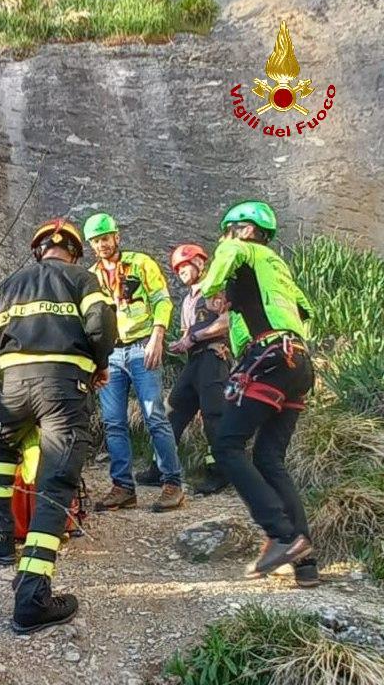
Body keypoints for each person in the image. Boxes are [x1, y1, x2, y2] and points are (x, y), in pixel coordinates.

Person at [0, 218, 116, 634]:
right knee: (55, 484)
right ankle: (32, 597)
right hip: (64, 388)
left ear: (39, 251)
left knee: (1, 462)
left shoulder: (8, 285)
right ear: (75, 251)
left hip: (13, 389)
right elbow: (101, 328)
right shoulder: (84, 280)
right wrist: (99, 364)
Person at [200, 200, 317, 585]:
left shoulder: (242, 249)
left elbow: (223, 262)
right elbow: (304, 310)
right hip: (297, 361)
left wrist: (212, 288)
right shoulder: (276, 267)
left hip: (270, 356)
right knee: (268, 458)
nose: (225, 239)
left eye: (229, 231)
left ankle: (282, 536)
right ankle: (305, 562)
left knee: (227, 445)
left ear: (246, 229)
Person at [82, 213, 184, 513]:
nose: (101, 245)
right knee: (113, 422)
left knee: (154, 415)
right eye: (95, 241)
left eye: (105, 238)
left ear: (116, 236)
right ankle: (123, 487)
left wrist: (157, 336)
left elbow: (162, 300)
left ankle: (172, 483)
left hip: (142, 346)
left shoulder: (141, 263)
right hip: (111, 353)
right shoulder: (91, 276)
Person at [138, 243, 231, 495]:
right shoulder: (188, 299)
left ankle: (220, 472)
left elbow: (227, 321)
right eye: (178, 270)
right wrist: (180, 344)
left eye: (184, 267)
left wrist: (194, 337)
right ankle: (160, 467)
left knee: (214, 414)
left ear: (199, 263)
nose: (181, 273)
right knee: (172, 411)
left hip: (214, 356)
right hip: (194, 360)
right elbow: (187, 333)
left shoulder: (213, 289)